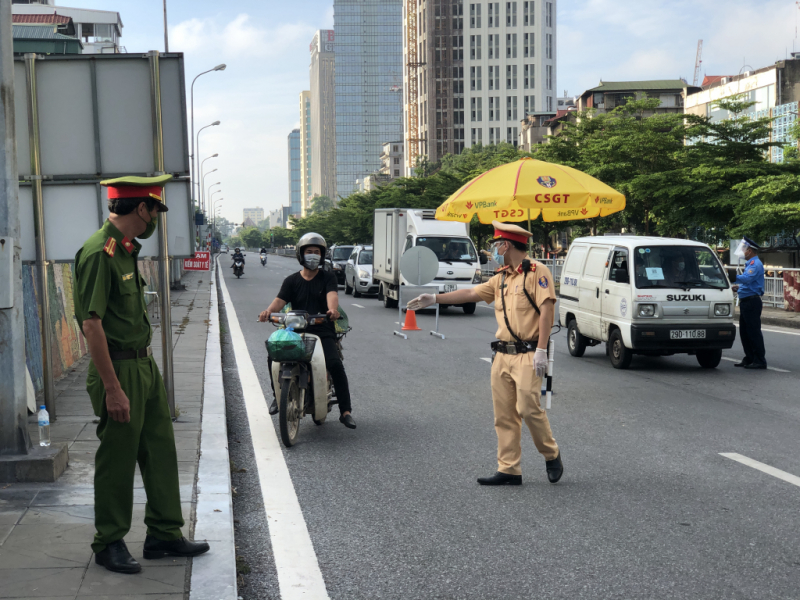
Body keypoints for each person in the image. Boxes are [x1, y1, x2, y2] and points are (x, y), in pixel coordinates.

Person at [74, 175, 209, 574]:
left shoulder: (127, 251)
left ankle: (164, 533)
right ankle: (109, 542)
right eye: (155, 210)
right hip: (118, 369)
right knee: (118, 458)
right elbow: (91, 325)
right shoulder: (101, 252)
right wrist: (113, 389)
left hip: (143, 365)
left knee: (160, 450)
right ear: (140, 208)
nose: (156, 219)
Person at [408, 221, 563, 486]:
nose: (493, 249)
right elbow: (471, 293)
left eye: (496, 244)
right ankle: (509, 469)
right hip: (502, 355)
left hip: (528, 353)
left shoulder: (538, 272)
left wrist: (541, 350)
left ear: (507, 244)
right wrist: (435, 298)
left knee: (528, 408)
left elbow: (547, 310)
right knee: (503, 415)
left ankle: (551, 453)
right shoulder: (501, 277)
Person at [258, 232, 356, 429]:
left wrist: (332, 310)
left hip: (322, 329)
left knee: (335, 364)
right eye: (309, 251)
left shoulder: (327, 277)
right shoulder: (291, 280)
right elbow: (279, 301)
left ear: (322, 255)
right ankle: (278, 397)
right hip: (293, 330)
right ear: (300, 255)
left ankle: (345, 411)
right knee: (273, 355)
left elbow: (332, 296)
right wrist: (268, 311)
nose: (313, 255)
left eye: (317, 252)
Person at [732, 237, 767, 369]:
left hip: (752, 302)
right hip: (746, 301)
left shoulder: (755, 264)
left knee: (753, 331)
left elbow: (747, 279)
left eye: (743, 249)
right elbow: (749, 284)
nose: (742, 252)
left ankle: (759, 360)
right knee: (745, 332)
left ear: (750, 251)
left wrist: (730, 276)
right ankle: (749, 357)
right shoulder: (750, 264)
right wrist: (738, 288)